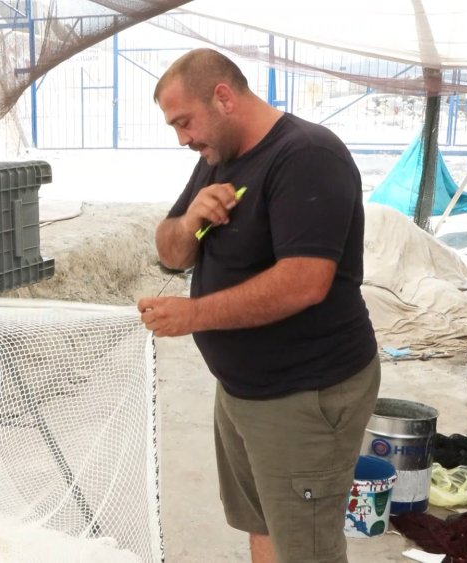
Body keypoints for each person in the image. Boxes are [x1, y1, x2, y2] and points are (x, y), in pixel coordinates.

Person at [137, 48, 380, 563]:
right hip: (242, 391)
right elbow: (169, 252)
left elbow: (304, 282)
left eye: (184, 121)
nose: (182, 138)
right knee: (263, 525)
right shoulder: (218, 159)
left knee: (306, 548)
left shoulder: (308, 155)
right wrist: (188, 223)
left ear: (222, 96)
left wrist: (192, 315)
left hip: (305, 394)